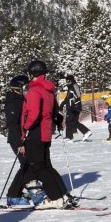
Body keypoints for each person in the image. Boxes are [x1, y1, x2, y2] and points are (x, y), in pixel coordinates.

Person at [16, 61, 70, 208]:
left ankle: (56, 198)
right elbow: (54, 112)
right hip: (45, 132)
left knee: (39, 167)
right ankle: (62, 194)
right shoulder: (48, 91)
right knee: (46, 165)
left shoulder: (34, 91)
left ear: (32, 74)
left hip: (35, 133)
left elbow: (33, 114)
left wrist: (25, 128)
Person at [3, 75, 31, 205]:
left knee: (30, 164)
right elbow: (12, 125)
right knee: (26, 165)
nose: (28, 90)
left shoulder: (21, 100)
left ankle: (25, 189)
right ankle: (13, 195)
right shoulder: (13, 102)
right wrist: (20, 143)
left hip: (24, 137)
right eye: (26, 87)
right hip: (16, 139)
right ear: (19, 89)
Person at [62, 75, 91, 141]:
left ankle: (70, 136)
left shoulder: (74, 86)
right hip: (71, 107)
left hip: (74, 107)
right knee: (72, 121)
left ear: (71, 80)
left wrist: (74, 105)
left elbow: (78, 96)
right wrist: (63, 103)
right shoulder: (70, 87)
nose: (67, 82)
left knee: (70, 121)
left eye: (68, 81)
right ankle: (84, 132)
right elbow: (68, 97)